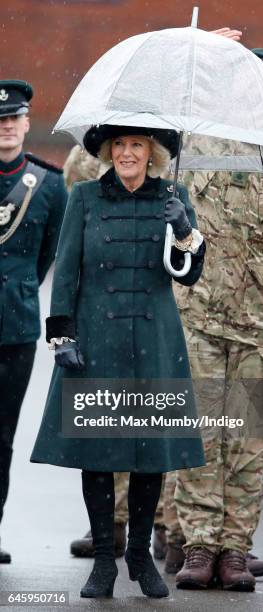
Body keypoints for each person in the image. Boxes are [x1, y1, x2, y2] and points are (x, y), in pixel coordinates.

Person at [30, 124, 206, 599]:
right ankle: (105, 559)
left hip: (154, 334)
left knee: (151, 452)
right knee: (99, 451)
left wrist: (185, 230)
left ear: (152, 154)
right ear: (109, 151)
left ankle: (140, 557)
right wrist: (61, 333)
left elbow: (190, 274)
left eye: (138, 146)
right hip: (98, 337)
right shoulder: (85, 196)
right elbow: (66, 267)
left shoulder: (174, 195)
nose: (128, 153)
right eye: (121, 146)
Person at [170, 49, 263, 592]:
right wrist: (196, 47)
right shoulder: (194, 148)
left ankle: (235, 549)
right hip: (200, 315)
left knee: (248, 441)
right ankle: (200, 545)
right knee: (201, 434)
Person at [0, 79, 67, 563]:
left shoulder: (48, 184)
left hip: (14, 328)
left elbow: (47, 258)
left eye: (12, 119)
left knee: (2, 435)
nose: (5, 127)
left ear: (26, 124)